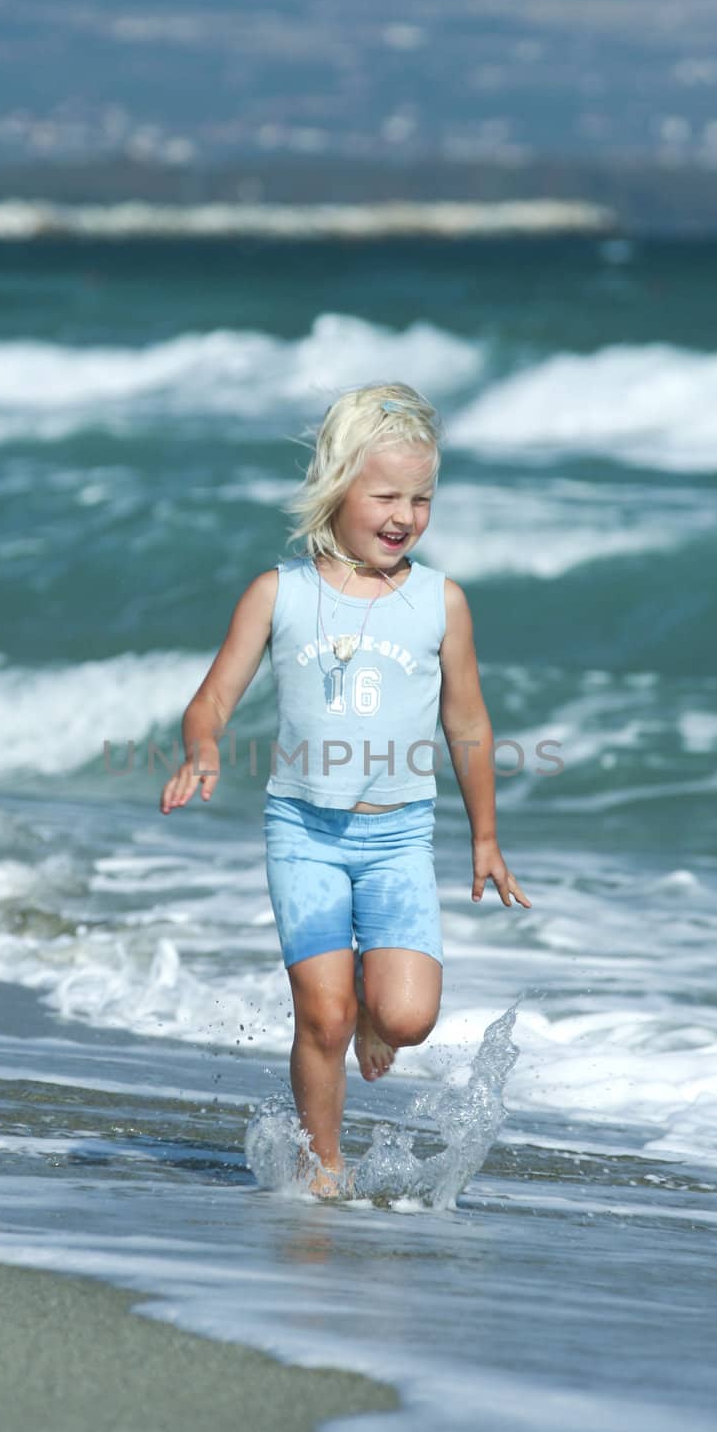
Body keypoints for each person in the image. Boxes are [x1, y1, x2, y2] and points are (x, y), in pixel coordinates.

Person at [160, 381, 531, 1196]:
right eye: (386, 495)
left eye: (422, 498)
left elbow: (466, 724)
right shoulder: (280, 593)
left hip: (397, 834)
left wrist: (484, 837)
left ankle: (373, 1014)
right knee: (321, 1017)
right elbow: (212, 697)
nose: (405, 515)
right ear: (338, 490)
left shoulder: (440, 601)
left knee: (405, 1017)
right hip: (304, 833)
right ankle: (319, 1168)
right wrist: (203, 748)